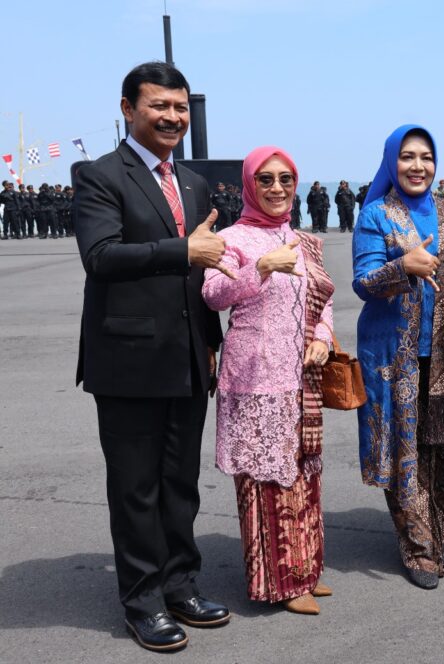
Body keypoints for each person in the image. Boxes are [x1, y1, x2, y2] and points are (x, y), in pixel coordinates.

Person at [72, 61, 231, 652]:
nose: (172, 117)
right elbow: (101, 257)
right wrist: (182, 249)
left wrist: (210, 343)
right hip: (128, 360)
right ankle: (142, 602)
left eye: (180, 107)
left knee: (180, 483)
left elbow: (201, 275)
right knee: (136, 487)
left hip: (187, 359)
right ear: (128, 109)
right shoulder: (99, 176)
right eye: (159, 105)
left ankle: (181, 585)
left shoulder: (191, 182)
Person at [202, 146, 335, 615]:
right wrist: (258, 268)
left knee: (302, 475)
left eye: (285, 179)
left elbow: (324, 298)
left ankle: (306, 570)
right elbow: (213, 294)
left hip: (302, 376)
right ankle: (278, 582)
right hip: (255, 377)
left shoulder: (305, 240)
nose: (277, 188)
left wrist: (323, 336)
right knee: (265, 483)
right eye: (266, 179)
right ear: (249, 185)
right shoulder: (232, 238)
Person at [352, 125, 444, 590]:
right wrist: (402, 266)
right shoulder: (376, 215)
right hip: (392, 353)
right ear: (391, 162)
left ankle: (437, 535)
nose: (418, 166)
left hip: (443, 353)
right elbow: (363, 282)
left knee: (439, 447)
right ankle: (417, 547)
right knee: (404, 448)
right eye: (407, 157)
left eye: (426, 157)